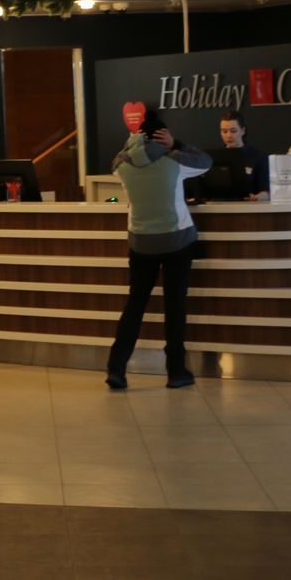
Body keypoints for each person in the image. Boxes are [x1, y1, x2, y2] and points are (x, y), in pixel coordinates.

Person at [105, 106, 211, 390]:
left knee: (135, 305)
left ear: (137, 136)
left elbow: (116, 159)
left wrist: (133, 143)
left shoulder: (123, 165)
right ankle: (176, 371)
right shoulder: (175, 161)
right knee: (174, 308)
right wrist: (176, 144)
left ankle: (116, 368)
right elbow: (206, 161)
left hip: (141, 244)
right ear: (162, 137)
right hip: (177, 241)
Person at [213, 109, 269, 199]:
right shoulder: (215, 157)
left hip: (249, 208)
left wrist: (258, 197)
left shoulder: (257, 156)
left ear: (243, 131)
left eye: (233, 131)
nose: (228, 135)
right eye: (224, 131)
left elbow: (267, 191)